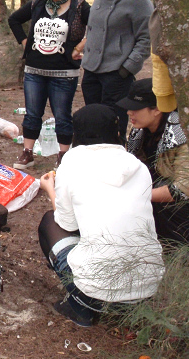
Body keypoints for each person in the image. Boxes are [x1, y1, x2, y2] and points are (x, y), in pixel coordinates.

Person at [38, 104, 164, 327]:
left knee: (49, 221)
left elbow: (66, 222)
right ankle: (125, 304)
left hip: (97, 290)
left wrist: (50, 189)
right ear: (116, 132)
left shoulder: (72, 161)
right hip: (147, 287)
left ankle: (80, 307)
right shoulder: (138, 167)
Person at [8, 0, 90, 170]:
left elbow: (97, 27)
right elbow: (14, 20)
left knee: (62, 114)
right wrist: (25, 43)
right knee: (32, 113)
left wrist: (80, 47)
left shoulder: (79, 5)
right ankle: (28, 152)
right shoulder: (38, 2)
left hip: (64, 72)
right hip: (35, 70)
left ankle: (63, 155)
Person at [80, 0, 152, 140]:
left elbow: (146, 38)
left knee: (114, 123)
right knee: (93, 120)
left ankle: (116, 162)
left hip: (117, 74)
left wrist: (127, 68)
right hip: (92, 71)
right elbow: (93, 30)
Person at [117, 78, 189, 244]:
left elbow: (183, 189)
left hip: (177, 210)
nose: (129, 113)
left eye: (135, 108)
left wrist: (136, 196)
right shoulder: (140, 132)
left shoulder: (181, 136)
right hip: (154, 196)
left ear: (157, 109)